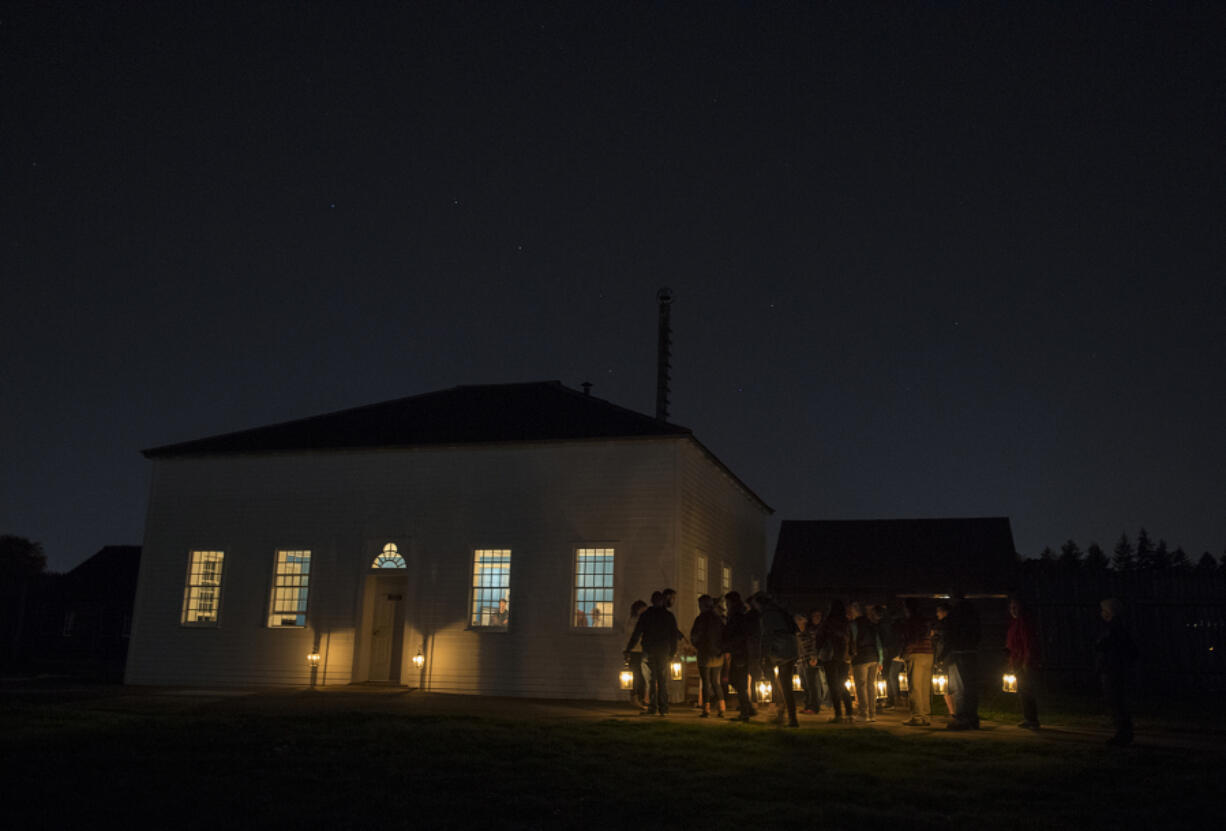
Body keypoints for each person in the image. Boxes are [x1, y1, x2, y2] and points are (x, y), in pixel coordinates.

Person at [625, 590, 678, 716]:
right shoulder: (669, 616)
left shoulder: (646, 615)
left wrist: (628, 648)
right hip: (663, 651)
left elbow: (636, 634)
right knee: (662, 680)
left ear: (651, 601)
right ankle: (664, 708)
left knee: (651, 680)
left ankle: (653, 707)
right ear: (662, 601)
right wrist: (672, 652)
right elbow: (673, 636)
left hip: (649, 651)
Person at [750, 592, 799, 727]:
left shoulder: (767, 614)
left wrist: (763, 656)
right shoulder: (780, 611)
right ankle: (791, 717)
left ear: (760, 604)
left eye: (755, 605)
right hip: (790, 649)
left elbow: (767, 636)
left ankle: (782, 713)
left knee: (775, 680)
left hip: (779, 650)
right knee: (786, 684)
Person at [1096, 598, 1138, 746]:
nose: (1101, 613)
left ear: (1109, 612)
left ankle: (1122, 733)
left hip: (1113, 669)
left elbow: (1104, 646)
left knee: (1115, 701)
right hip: (1114, 668)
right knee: (1116, 701)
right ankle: (1123, 731)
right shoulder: (1116, 627)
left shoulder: (1113, 629)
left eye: (1104, 610)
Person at [944, 592, 981, 730]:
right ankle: (973, 718)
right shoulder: (973, 611)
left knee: (959, 687)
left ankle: (961, 719)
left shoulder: (954, 614)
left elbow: (950, 634)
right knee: (971, 686)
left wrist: (944, 655)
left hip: (958, 652)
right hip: (972, 652)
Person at [1006, 595, 1041, 730]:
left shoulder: (1023, 622)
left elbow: (1028, 643)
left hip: (1023, 662)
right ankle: (1028, 718)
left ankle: (1032, 719)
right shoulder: (1014, 623)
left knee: (1027, 690)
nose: (1013, 610)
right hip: (1016, 661)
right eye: (1011, 608)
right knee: (1022, 690)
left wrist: (1027, 660)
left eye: (1015, 607)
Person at [816, 600, 854, 723]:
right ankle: (849, 714)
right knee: (842, 684)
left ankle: (838, 715)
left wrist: (815, 654)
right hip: (844, 657)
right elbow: (852, 639)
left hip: (831, 657)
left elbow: (820, 639)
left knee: (833, 686)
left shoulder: (827, 623)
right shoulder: (847, 623)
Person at [722, 591, 756, 720]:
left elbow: (736, 634)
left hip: (739, 653)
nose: (726, 605)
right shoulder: (739, 615)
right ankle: (748, 708)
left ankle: (745, 712)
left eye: (727, 602)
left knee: (738, 682)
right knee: (736, 680)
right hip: (740, 652)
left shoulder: (737, 616)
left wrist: (727, 644)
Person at [690, 595, 726, 718]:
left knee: (705, 682)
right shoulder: (718, 619)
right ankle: (722, 708)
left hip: (705, 654)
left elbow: (694, 636)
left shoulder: (700, 619)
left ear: (703, 605)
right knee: (716, 682)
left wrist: (698, 646)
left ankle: (706, 709)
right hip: (718, 655)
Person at [899, 598, 934, 726]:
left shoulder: (910, 621)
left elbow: (909, 638)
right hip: (928, 653)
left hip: (915, 654)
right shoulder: (925, 621)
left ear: (907, 608)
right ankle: (926, 716)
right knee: (925, 687)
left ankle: (917, 717)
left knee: (915, 686)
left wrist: (905, 651)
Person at [849, 601, 884, 723]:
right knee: (871, 686)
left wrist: (851, 655)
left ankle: (863, 714)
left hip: (861, 657)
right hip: (873, 657)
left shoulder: (854, 624)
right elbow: (878, 642)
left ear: (854, 611)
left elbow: (852, 640)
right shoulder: (871, 623)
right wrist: (880, 660)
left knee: (861, 686)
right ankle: (872, 714)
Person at [931, 602, 955, 719]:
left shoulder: (946, 625)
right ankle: (953, 711)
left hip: (946, 658)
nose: (937, 614)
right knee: (948, 685)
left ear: (945, 612)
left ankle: (953, 712)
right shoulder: (946, 624)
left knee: (946, 685)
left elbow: (947, 640)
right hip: (947, 657)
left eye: (939, 611)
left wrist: (939, 658)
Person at [623, 599, 649, 710]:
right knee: (638, 676)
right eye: (643, 609)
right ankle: (638, 698)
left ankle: (638, 697)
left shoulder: (631, 620)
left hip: (635, 650)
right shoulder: (636, 622)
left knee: (638, 675)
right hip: (637, 651)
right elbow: (634, 637)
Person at [797, 611, 820, 714]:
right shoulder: (797, 633)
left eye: (799, 620)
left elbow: (815, 645)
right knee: (804, 684)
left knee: (812, 684)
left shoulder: (809, 632)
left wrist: (814, 657)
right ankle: (807, 706)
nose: (798, 622)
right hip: (800, 661)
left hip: (809, 659)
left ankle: (814, 707)